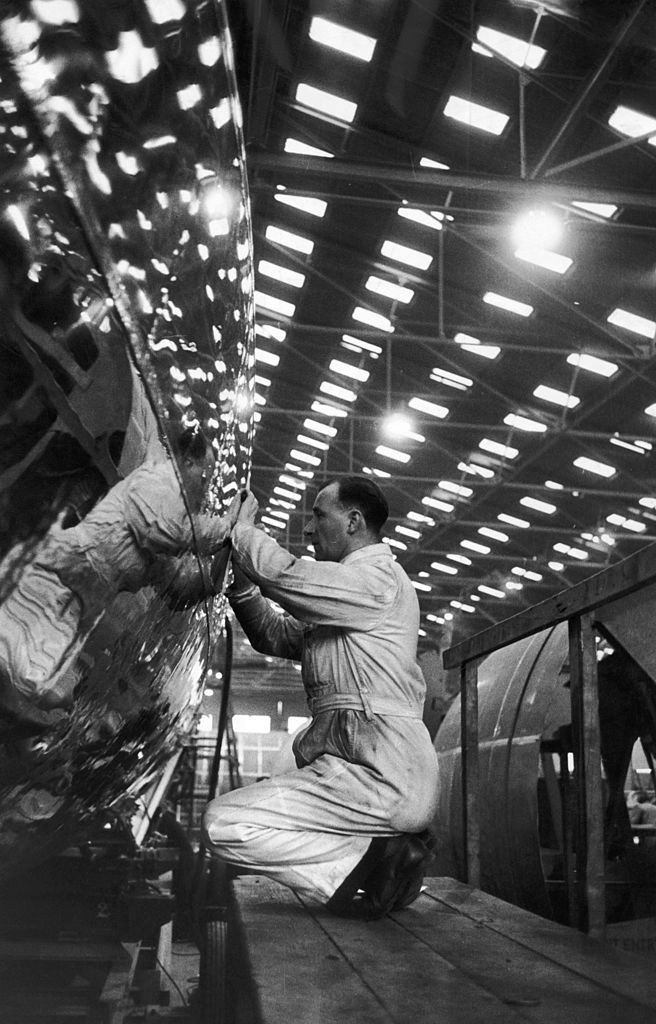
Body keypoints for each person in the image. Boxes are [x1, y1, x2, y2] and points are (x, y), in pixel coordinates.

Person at [202, 475, 440, 918]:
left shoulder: (376, 580)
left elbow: (287, 577)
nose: (308, 529)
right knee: (229, 820)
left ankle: (366, 866)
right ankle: (380, 860)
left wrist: (242, 530)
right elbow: (274, 634)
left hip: (385, 773)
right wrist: (239, 585)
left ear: (353, 522)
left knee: (223, 824)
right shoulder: (342, 603)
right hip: (355, 766)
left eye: (317, 516)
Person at [0, 427, 244, 727]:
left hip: (79, 601)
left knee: (37, 681)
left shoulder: (167, 527)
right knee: (11, 645)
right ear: (188, 462)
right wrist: (226, 527)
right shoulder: (158, 482)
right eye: (203, 478)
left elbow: (180, 590)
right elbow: (164, 531)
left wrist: (225, 554)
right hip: (57, 573)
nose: (204, 488)